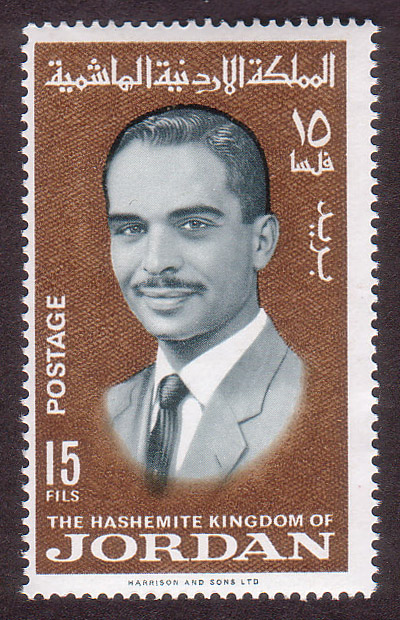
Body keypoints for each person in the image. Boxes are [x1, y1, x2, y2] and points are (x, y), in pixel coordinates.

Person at [103, 105, 304, 492]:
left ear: (261, 242)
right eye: (131, 228)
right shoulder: (110, 411)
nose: (156, 262)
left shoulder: (316, 407)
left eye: (193, 224)